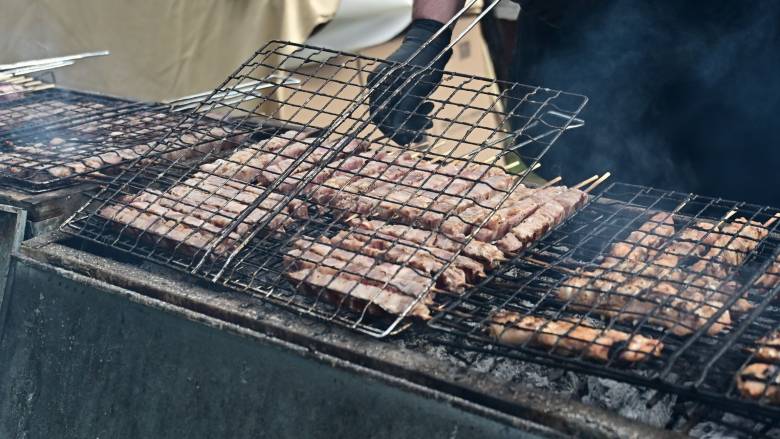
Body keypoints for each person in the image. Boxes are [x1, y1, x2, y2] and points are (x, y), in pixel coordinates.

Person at [369, 0, 780, 206]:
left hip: (731, 68)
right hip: (572, 59)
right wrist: (428, 33)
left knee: (745, 230)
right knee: (580, 216)